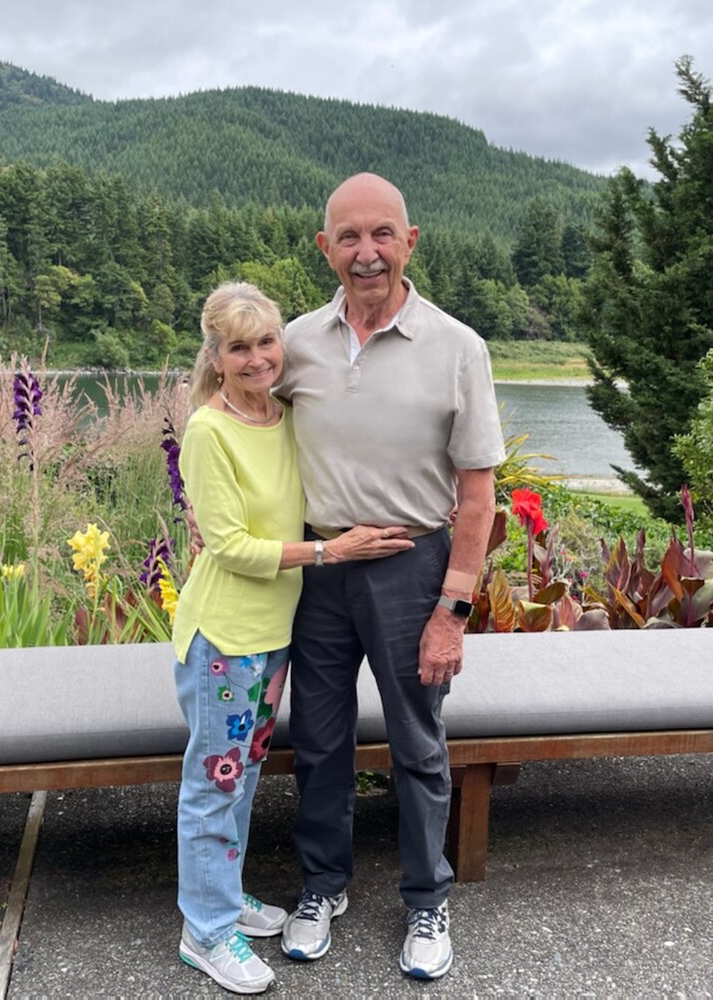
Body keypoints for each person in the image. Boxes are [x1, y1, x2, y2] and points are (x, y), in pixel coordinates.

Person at [276, 174, 506, 981]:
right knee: (319, 739)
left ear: (411, 241)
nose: (365, 252)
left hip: (413, 570)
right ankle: (322, 885)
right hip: (321, 567)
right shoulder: (295, 343)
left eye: (381, 234)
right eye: (348, 236)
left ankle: (426, 900)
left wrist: (454, 608)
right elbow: (231, 421)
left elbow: (478, 497)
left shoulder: (458, 347)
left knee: (417, 743)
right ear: (324, 248)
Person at [171, 281, 412, 995]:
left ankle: (222, 896)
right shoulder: (209, 430)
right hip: (225, 636)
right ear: (214, 355)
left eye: (266, 342)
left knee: (239, 775)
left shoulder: (280, 414)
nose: (255, 358)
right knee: (212, 784)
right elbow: (230, 546)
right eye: (238, 347)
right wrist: (328, 554)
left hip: (273, 634)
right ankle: (203, 932)